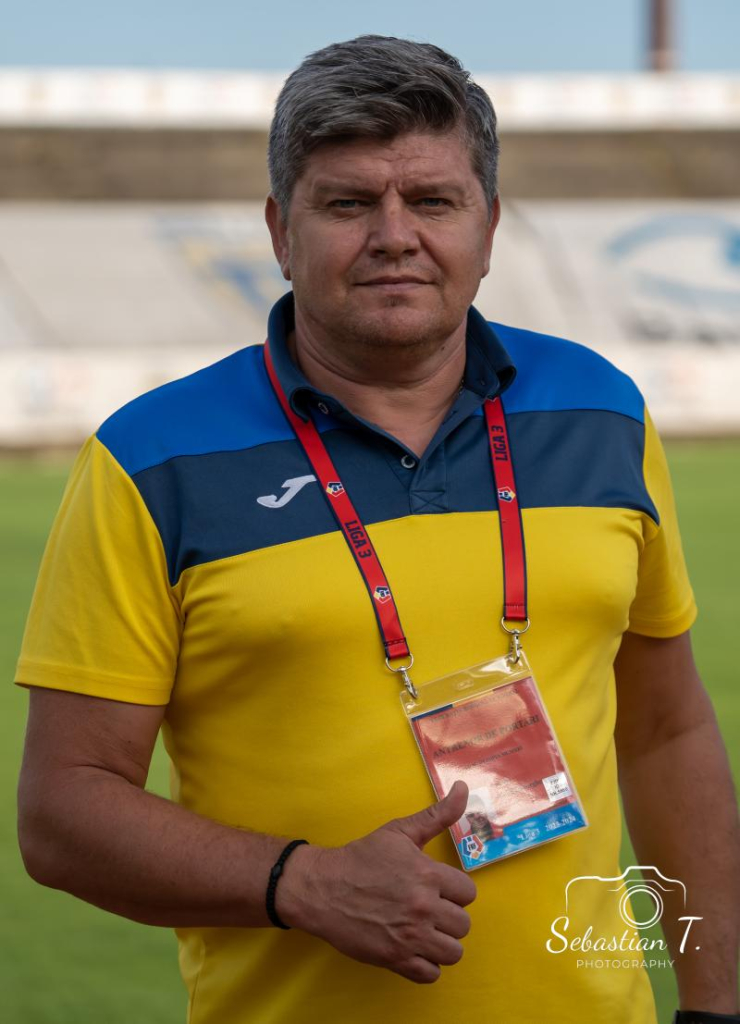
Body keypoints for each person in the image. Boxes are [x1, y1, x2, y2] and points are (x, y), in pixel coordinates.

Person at [14, 35, 739, 1024]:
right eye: (348, 203)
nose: (395, 235)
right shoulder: (149, 459)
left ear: (489, 226)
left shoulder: (600, 412)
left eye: (432, 201)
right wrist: (297, 881)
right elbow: (62, 810)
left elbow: (665, 730)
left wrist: (713, 1003)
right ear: (280, 230)